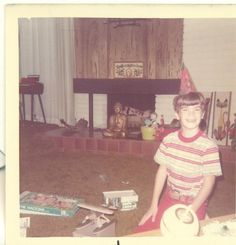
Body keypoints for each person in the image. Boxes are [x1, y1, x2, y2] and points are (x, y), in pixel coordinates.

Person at [134, 92, 222, 233]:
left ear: (203, 114)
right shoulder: (169, 140)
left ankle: (202, 219)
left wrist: (191, 210)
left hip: (195, 202)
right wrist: (153, 204)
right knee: (142, 233)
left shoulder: (209, 146)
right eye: (185, 110)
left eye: (196, 109)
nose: (191, 115)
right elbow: (162, 171)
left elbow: (208, 183)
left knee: (178, 235)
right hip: (170, 198)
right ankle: (203, 222)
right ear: (177, 115)